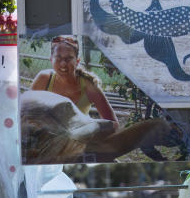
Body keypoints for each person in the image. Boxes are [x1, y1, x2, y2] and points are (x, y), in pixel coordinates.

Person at [24, 35, 181, 163]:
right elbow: (27, 114)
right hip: (43, 142)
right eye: (58, 58)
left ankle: (152, 134)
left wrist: (88, 129)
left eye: (69, 58)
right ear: (51, 59)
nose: (63, 64)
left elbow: (112, 124)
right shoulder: (44, 79)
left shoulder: (89, 87)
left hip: (80, 139)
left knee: (110, 156)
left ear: (77, 61)